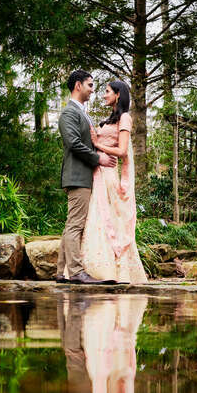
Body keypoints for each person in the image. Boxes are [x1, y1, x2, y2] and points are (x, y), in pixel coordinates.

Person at [83, 80, 148, 284]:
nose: (103, 95)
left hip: (108, 174)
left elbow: (121, 151)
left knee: (105, 220)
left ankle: (111, 271)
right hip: (97, 171)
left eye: (107, 91)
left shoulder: (126, 118)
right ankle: (91, 268)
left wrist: (97, 144)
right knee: (96, 219)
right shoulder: (110, 118)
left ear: (118, 94)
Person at [55, 70, 117, 285]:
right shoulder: (68, 113)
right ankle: (76, 272)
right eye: (90, 85)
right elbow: (73, 143)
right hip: (77, 176)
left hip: (83, 176)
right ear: (78, 85)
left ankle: (61, 272)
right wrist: (98, 159)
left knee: (71, 224)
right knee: (75, 225)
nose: (93, 90)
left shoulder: (82, 112)